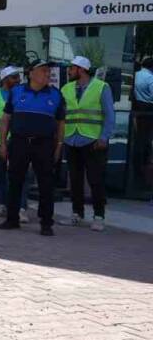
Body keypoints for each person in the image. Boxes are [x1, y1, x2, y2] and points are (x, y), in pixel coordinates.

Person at [0, 60, 65, 236]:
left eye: (48, 71)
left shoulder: (56, 95)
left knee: (46, 184)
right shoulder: (16, 92)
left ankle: (46, 223)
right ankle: (12, 219)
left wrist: (59, 145)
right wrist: (3, 143)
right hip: (19, 142)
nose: (47, 74)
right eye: (43, 70)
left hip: (44, 144)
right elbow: (6, 119)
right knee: (15, 181)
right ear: (31, 73)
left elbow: (60, 123)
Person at [62, 55, 115, 231]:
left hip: (93, 141)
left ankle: (99, 216)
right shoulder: (66, 88)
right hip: (71, 139)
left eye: (72, 68)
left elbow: (109, 115)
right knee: (75, 180)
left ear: (81, 70)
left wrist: (104, 137)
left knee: (95, 180)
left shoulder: (101, 87)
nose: (69, 71)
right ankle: (77, 213)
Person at [0, 66, 27, 222]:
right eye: (14, 77)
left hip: (18, 140)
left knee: (19, 174)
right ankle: (3, 204)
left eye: (18, 77)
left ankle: (21, 208)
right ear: (4, 80)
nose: (18, 80)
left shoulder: (23, 94)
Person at [133, 55, 153, 203]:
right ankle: (144, 170)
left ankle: (138, 165)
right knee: (146, 140)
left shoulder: (136, 75)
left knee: (140, 138)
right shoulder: (150, 78)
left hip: (138, 109)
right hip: (148, 110)